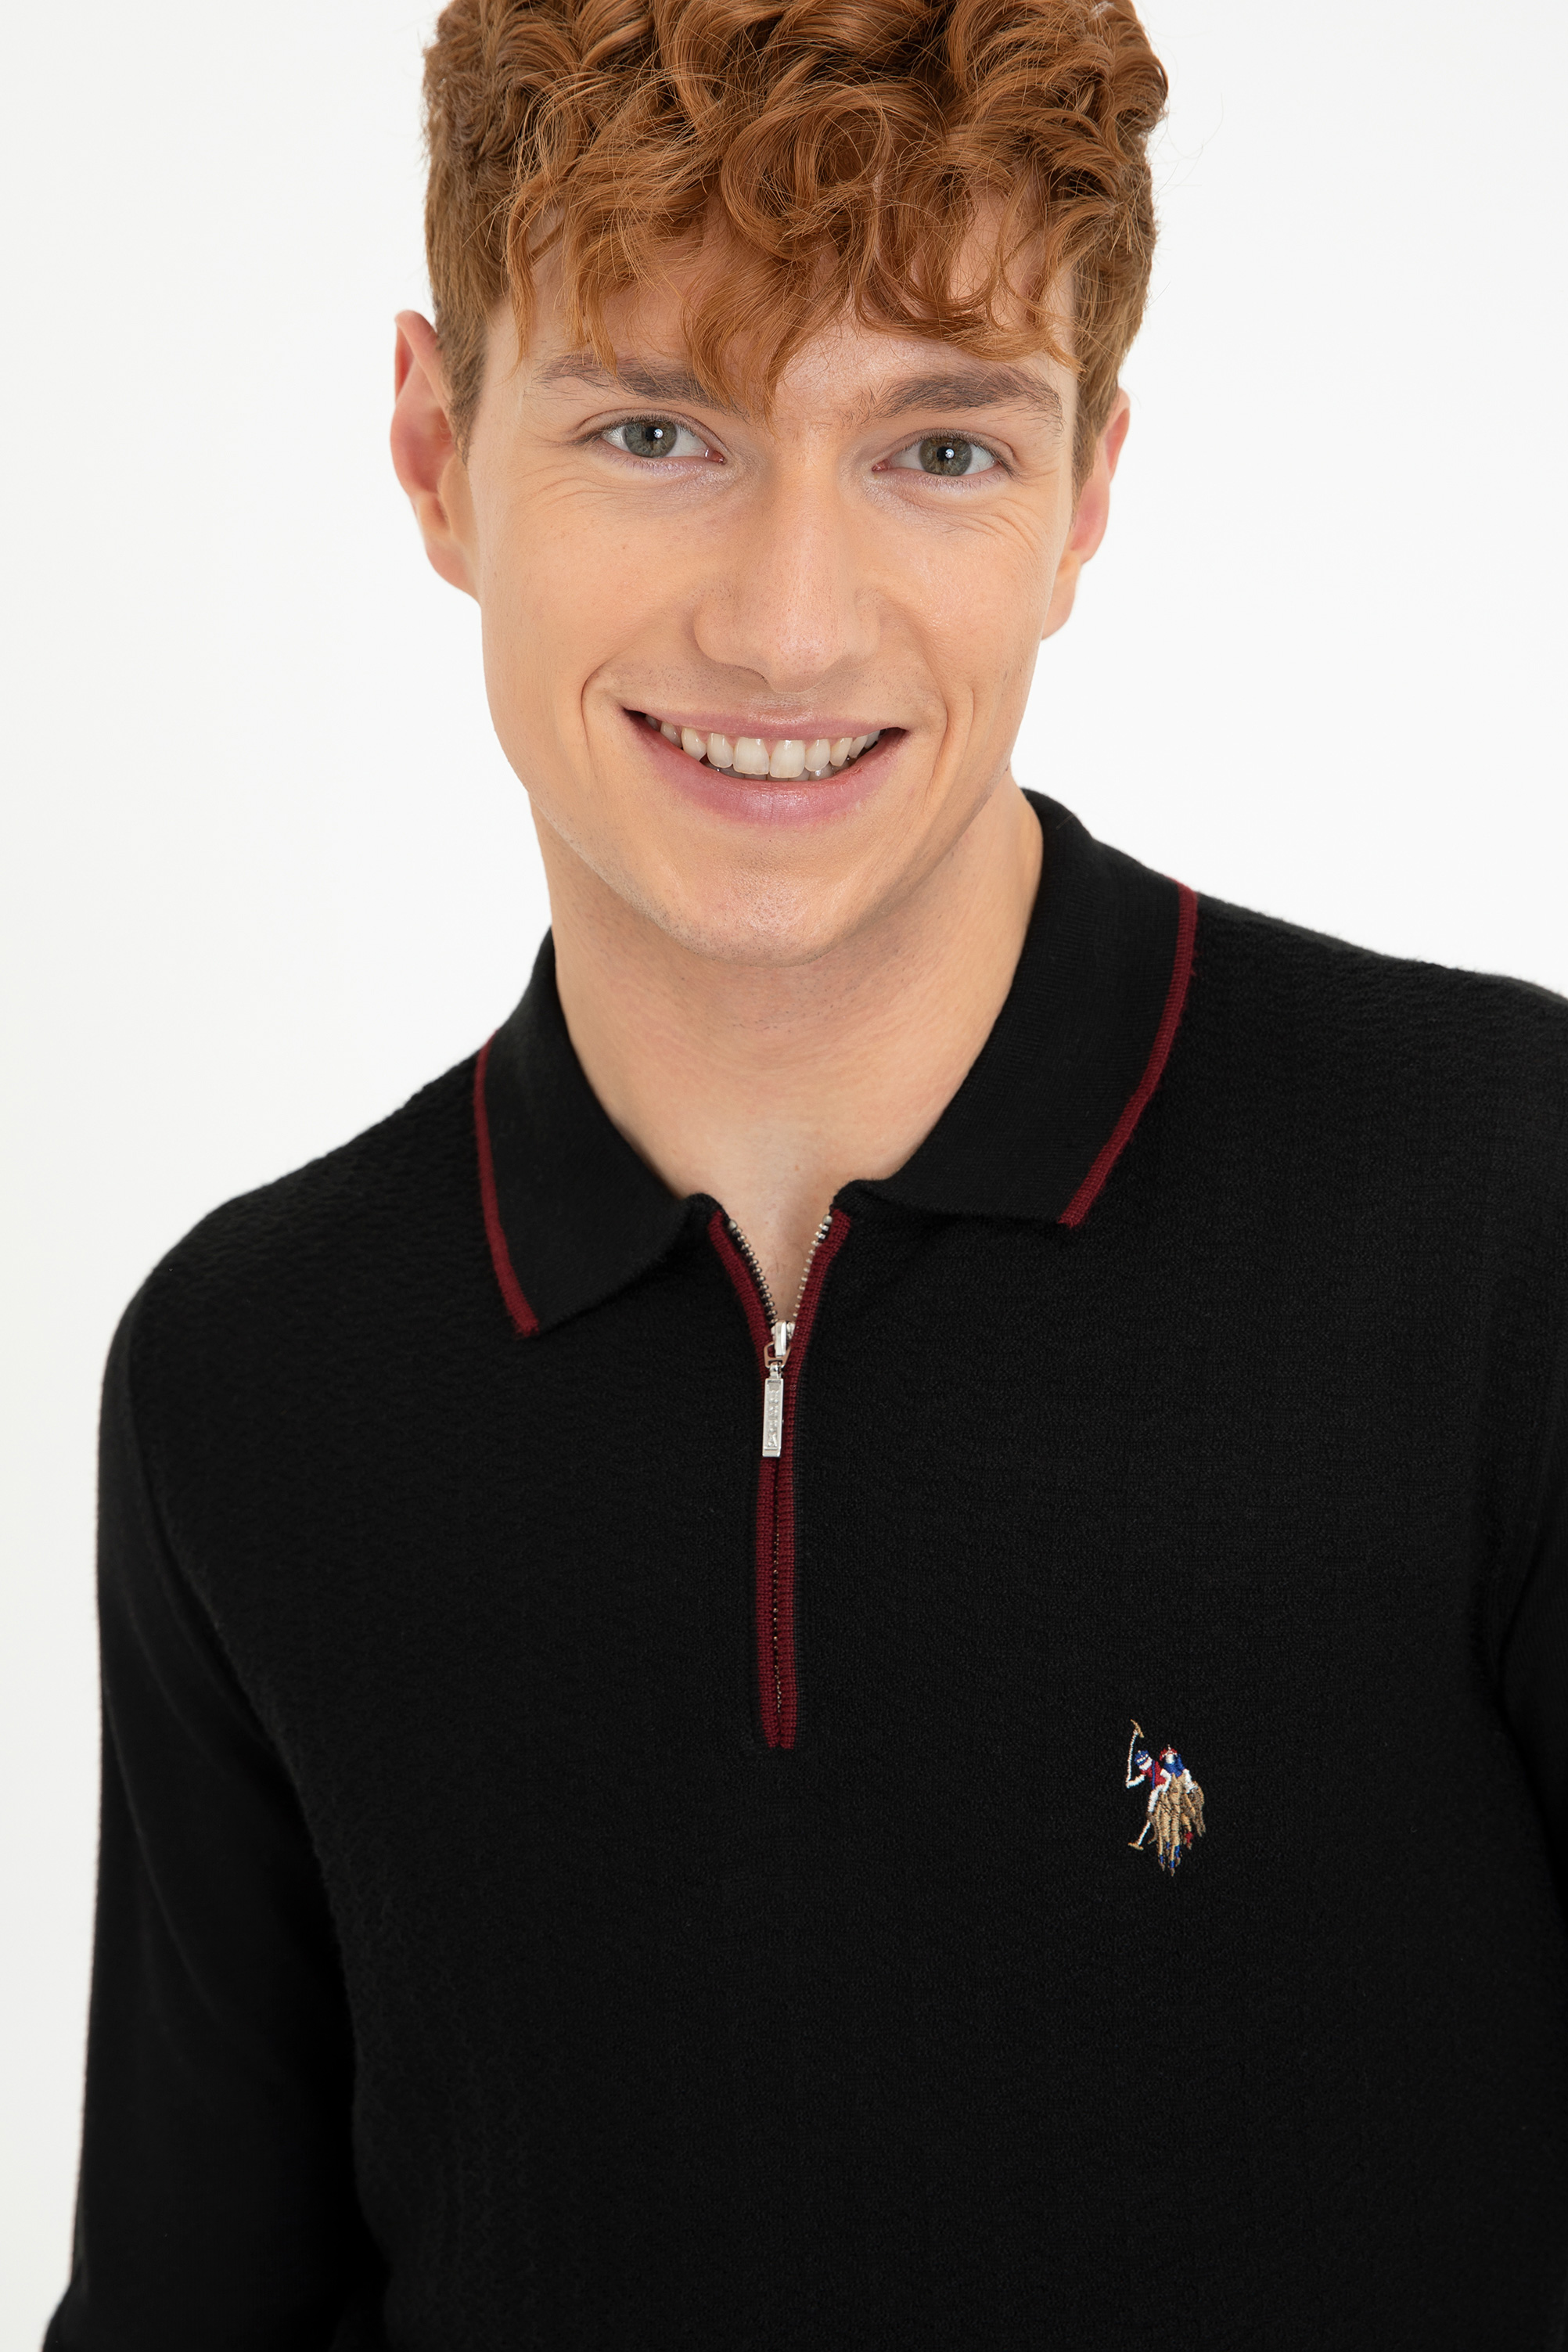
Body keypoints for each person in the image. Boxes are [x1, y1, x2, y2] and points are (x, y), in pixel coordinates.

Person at [45, 0, 1568, 2343]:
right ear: (437, 455)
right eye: (655, 430)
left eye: (939, 449)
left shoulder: (1500, 1213)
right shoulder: (251, 1384)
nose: (787, 624)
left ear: (1085, 497)